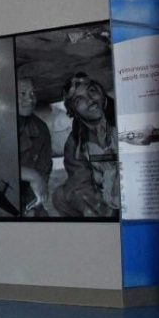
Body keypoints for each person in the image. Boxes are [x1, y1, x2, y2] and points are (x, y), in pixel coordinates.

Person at [51, 73, 119, 219]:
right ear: (73, 112)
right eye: (79, 100)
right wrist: (86, 206)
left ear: (101, 92)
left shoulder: (125, 119)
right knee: (60, 196)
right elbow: (79, 181)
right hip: (106, 200)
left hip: (134, 194)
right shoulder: (75, 142)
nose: (89, 100)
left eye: (92, 91)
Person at [16, 77, 52, 217]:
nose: (30, 99)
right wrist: (30, 174)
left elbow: (43, 173)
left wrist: (32, 206)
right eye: (22, 94)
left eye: (32, 94)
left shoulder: (40, 130)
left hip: (24, 201)